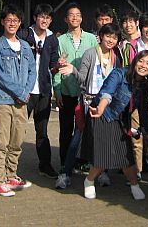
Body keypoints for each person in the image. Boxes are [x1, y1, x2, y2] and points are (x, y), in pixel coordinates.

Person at [80, 50, 148, 201]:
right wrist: (101, 107)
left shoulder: (146, 84)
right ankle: (89, 181)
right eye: (141, 61)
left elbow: (142, 110)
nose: (143, 66)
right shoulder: (119, 73)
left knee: (126, 155)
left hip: (121, 119)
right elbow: (107, 92)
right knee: (103, 155)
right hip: (103, 115)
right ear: (135, 61)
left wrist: (146, 130)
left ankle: (134, 185)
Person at [58, 22, 123, 188]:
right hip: (88, 101)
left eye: (114, 37)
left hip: (106, 103)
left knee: (105, 139)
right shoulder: (90, 53)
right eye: (108, 36)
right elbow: (82, 78)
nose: (110, 40)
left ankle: (102, 173)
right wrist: (72, 69)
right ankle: (65, 173)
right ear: (100, 36)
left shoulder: (117, 56)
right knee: (77, 138)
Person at [0, 5, 36, 197]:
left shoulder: (25, 46)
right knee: (0, 141)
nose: (12, 24)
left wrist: (26, 91)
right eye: (9, 20)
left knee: (17, 140)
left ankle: (11, 174)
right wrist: (20, 92)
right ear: (2, 22)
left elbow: (32, 70)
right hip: (3, 99)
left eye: (16, 20)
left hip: (21, 101)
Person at [53, 3, 98, 171]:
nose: (75, 17)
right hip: (67, 90)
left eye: (78, 14)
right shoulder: (61, 40)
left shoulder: (91, 39)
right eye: (71, 15)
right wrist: (57, 90)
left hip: (86, 92)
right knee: (66, 129)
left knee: (85, 129)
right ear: (66, 19)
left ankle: (83, 160)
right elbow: (57, 67)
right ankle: (65, 162)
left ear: (82, 18)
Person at [23, 3, 60, 179]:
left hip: (44, 90)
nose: (44, 20)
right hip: (26, 91)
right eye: (42, 16)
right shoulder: (25, 35)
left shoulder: (52, 39)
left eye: (48, 17)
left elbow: (52, 65)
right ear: (36, 18)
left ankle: (45, 164)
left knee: (42, 131)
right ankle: (8, 166)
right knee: (17, 128)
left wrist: (58, 67)